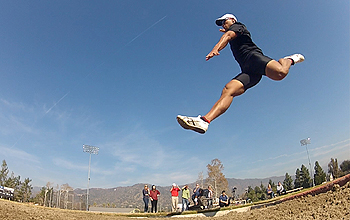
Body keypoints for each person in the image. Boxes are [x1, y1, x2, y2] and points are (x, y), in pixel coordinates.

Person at [177, 13, 305, 134]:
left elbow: (227, 36)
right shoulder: (232, 30)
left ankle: (288, 60)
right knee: (228, 89)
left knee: (280, 73)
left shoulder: (238, 26)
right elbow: (228, 35)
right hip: (248, 71)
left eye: (224, 21)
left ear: (232, 20)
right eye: (221, 23)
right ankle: (204, 121)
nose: (223, 25)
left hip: (254, 58)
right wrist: (227, 31)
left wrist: (215, 48)